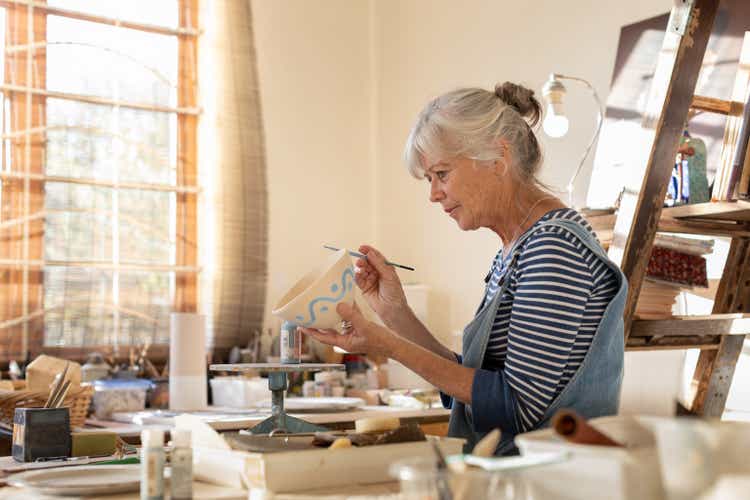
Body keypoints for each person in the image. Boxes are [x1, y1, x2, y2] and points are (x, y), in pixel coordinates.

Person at [301, 82, 627, 455]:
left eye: (441, 174)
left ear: (497, 157)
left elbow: (513, 406)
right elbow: (470, 389)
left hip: (551, 484)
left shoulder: (553, 247)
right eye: (429, 179)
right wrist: (394, 313)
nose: (433, 194)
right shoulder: (519, 247)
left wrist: (385, 344)